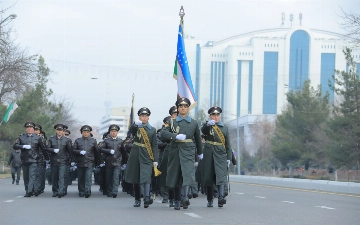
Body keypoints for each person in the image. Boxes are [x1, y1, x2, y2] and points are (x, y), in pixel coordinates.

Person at [160, 98, 203, 210]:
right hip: (175, 150)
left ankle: (185, 198)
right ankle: (177, 199)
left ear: (188, 108)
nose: (183, 108)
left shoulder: (193, 122)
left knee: (188, 174)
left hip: (188, 151)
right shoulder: (172, 122)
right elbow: (163, 134)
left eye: (185, 106)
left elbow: (198, 138)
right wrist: (175, 136)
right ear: (178, 108)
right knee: (176, 176)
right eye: (180, 106)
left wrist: (200, 152)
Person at [125, 107, 158, 208]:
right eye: (142, 116)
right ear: (139, 117)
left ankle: (147, 198)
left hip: (147, 155)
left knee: (146, 176)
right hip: (135, 154)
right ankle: (137, 199)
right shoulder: (137, 127)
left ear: (148, 118)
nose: (144, 118)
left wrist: (155, 160)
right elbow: (131, 130)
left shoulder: (152, 130)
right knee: (136, 178)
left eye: (145, 116)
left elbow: (154, 146)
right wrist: (135, 125)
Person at [200, 106, 232, 207]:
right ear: (210, 116)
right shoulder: (208, 126)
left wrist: (229, 158)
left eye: (217, 115)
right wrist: (207, 125)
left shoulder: (224, 128)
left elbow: (228, 144)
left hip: (221, 154)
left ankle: (221, 198)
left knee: (221, 175)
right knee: (209, 177)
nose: (215, 117)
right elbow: (203, 131)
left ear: (220, 116)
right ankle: (210, 199)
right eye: (213, 115)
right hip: (209, 153)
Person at [13, 121, 48, 197]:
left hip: (34, 160)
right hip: (24, 160)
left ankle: (29, 191)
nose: (29, 129)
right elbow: (15, 146)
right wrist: (23, 146)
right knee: (26, 177)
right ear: (26, 129)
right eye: (27, 127)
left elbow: (43, 148)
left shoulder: (38, 137)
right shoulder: (21, 137)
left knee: (32, 175)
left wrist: (47, 159)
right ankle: (28, 189)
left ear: (33, 128)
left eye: (30, 127)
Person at [72, 125, 101, 198]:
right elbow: (73, 150)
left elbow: (97, 152)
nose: (86, 133)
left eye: (87, 132)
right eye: (84, 132)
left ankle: (87, 191)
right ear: (82, 132)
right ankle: (81, 191)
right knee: (81, 178)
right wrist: (79, 152)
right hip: (80, 162)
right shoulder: (78, 140)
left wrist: (99, 162)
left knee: (88, 177)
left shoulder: (93, 141)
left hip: (90, 162)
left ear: (89, 133)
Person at [47, 124, 74, 198]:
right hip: (54, 161)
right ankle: (55, 191)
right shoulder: (51, 139)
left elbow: (70, 151)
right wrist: (53, 150)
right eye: (58, 130)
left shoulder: (66, 140)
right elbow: (48, 149)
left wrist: (72, 160)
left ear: (63, 131)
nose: (59, 132)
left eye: (61, 130)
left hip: (63, 161)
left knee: (61, 176)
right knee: (54, 177)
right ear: (56, 131)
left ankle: (61, 191)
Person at [158, 106, 178, 207]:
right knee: (167, 175)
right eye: (174, 114)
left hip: (180, 152)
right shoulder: (167, 125)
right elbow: (162, 137)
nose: (176, 116)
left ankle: (179, 197)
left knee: (179, 176)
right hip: (169, 151)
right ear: (171, 115)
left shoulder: (184, 124)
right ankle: (168, 197)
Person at [100, 124, 127, 198]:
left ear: (117, 132)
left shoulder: (121, 141)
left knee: (116, 177)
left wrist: (125, 162)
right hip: (109, 162)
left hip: (118, 162)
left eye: (115, 131)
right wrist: (108, 151)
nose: (113, 132)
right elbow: (101, 149)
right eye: (112, 131)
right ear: (110, 132)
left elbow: (124, 153)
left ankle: (114, 191)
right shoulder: (106, 141)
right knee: (109, 178)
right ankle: (109, 191)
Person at [34, 124, 48, 195]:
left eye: (37, 130)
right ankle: (33, 188)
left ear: (39, 131)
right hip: (32, 159)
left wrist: (46, 159)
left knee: (39, 175)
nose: (35, 131)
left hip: (41, 159)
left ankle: (38, 188)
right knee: (33, 175)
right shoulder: (30, 138)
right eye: (35, 130)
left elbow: (45, 150)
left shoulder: (42, 139)